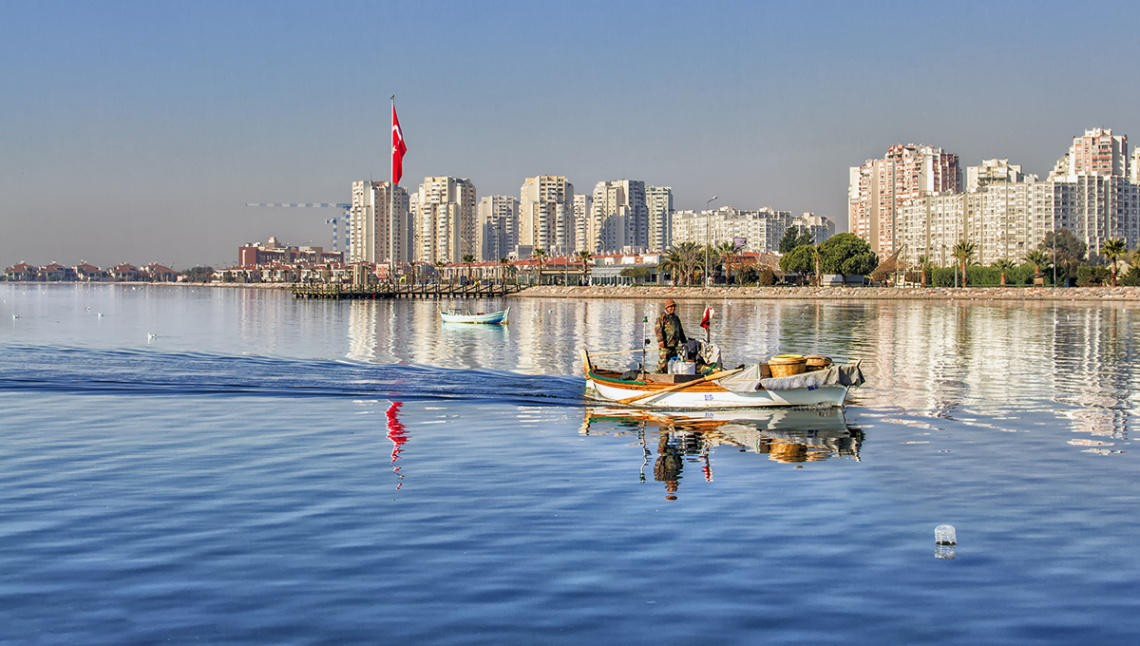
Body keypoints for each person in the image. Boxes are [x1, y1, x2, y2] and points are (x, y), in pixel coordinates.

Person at [655, 298, 687, 373]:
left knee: (673, 363)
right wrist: (660, 340)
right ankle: (657, 377)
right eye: (671, 307)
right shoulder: (662, 317)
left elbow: (680, 330)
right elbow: (658, 329)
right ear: (667, 307)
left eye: (674, 307)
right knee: (663, 364)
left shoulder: (675, 318)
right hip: (666, 345)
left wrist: (684, 341)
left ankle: (669, 377)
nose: (673, 308)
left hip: (674, 345)